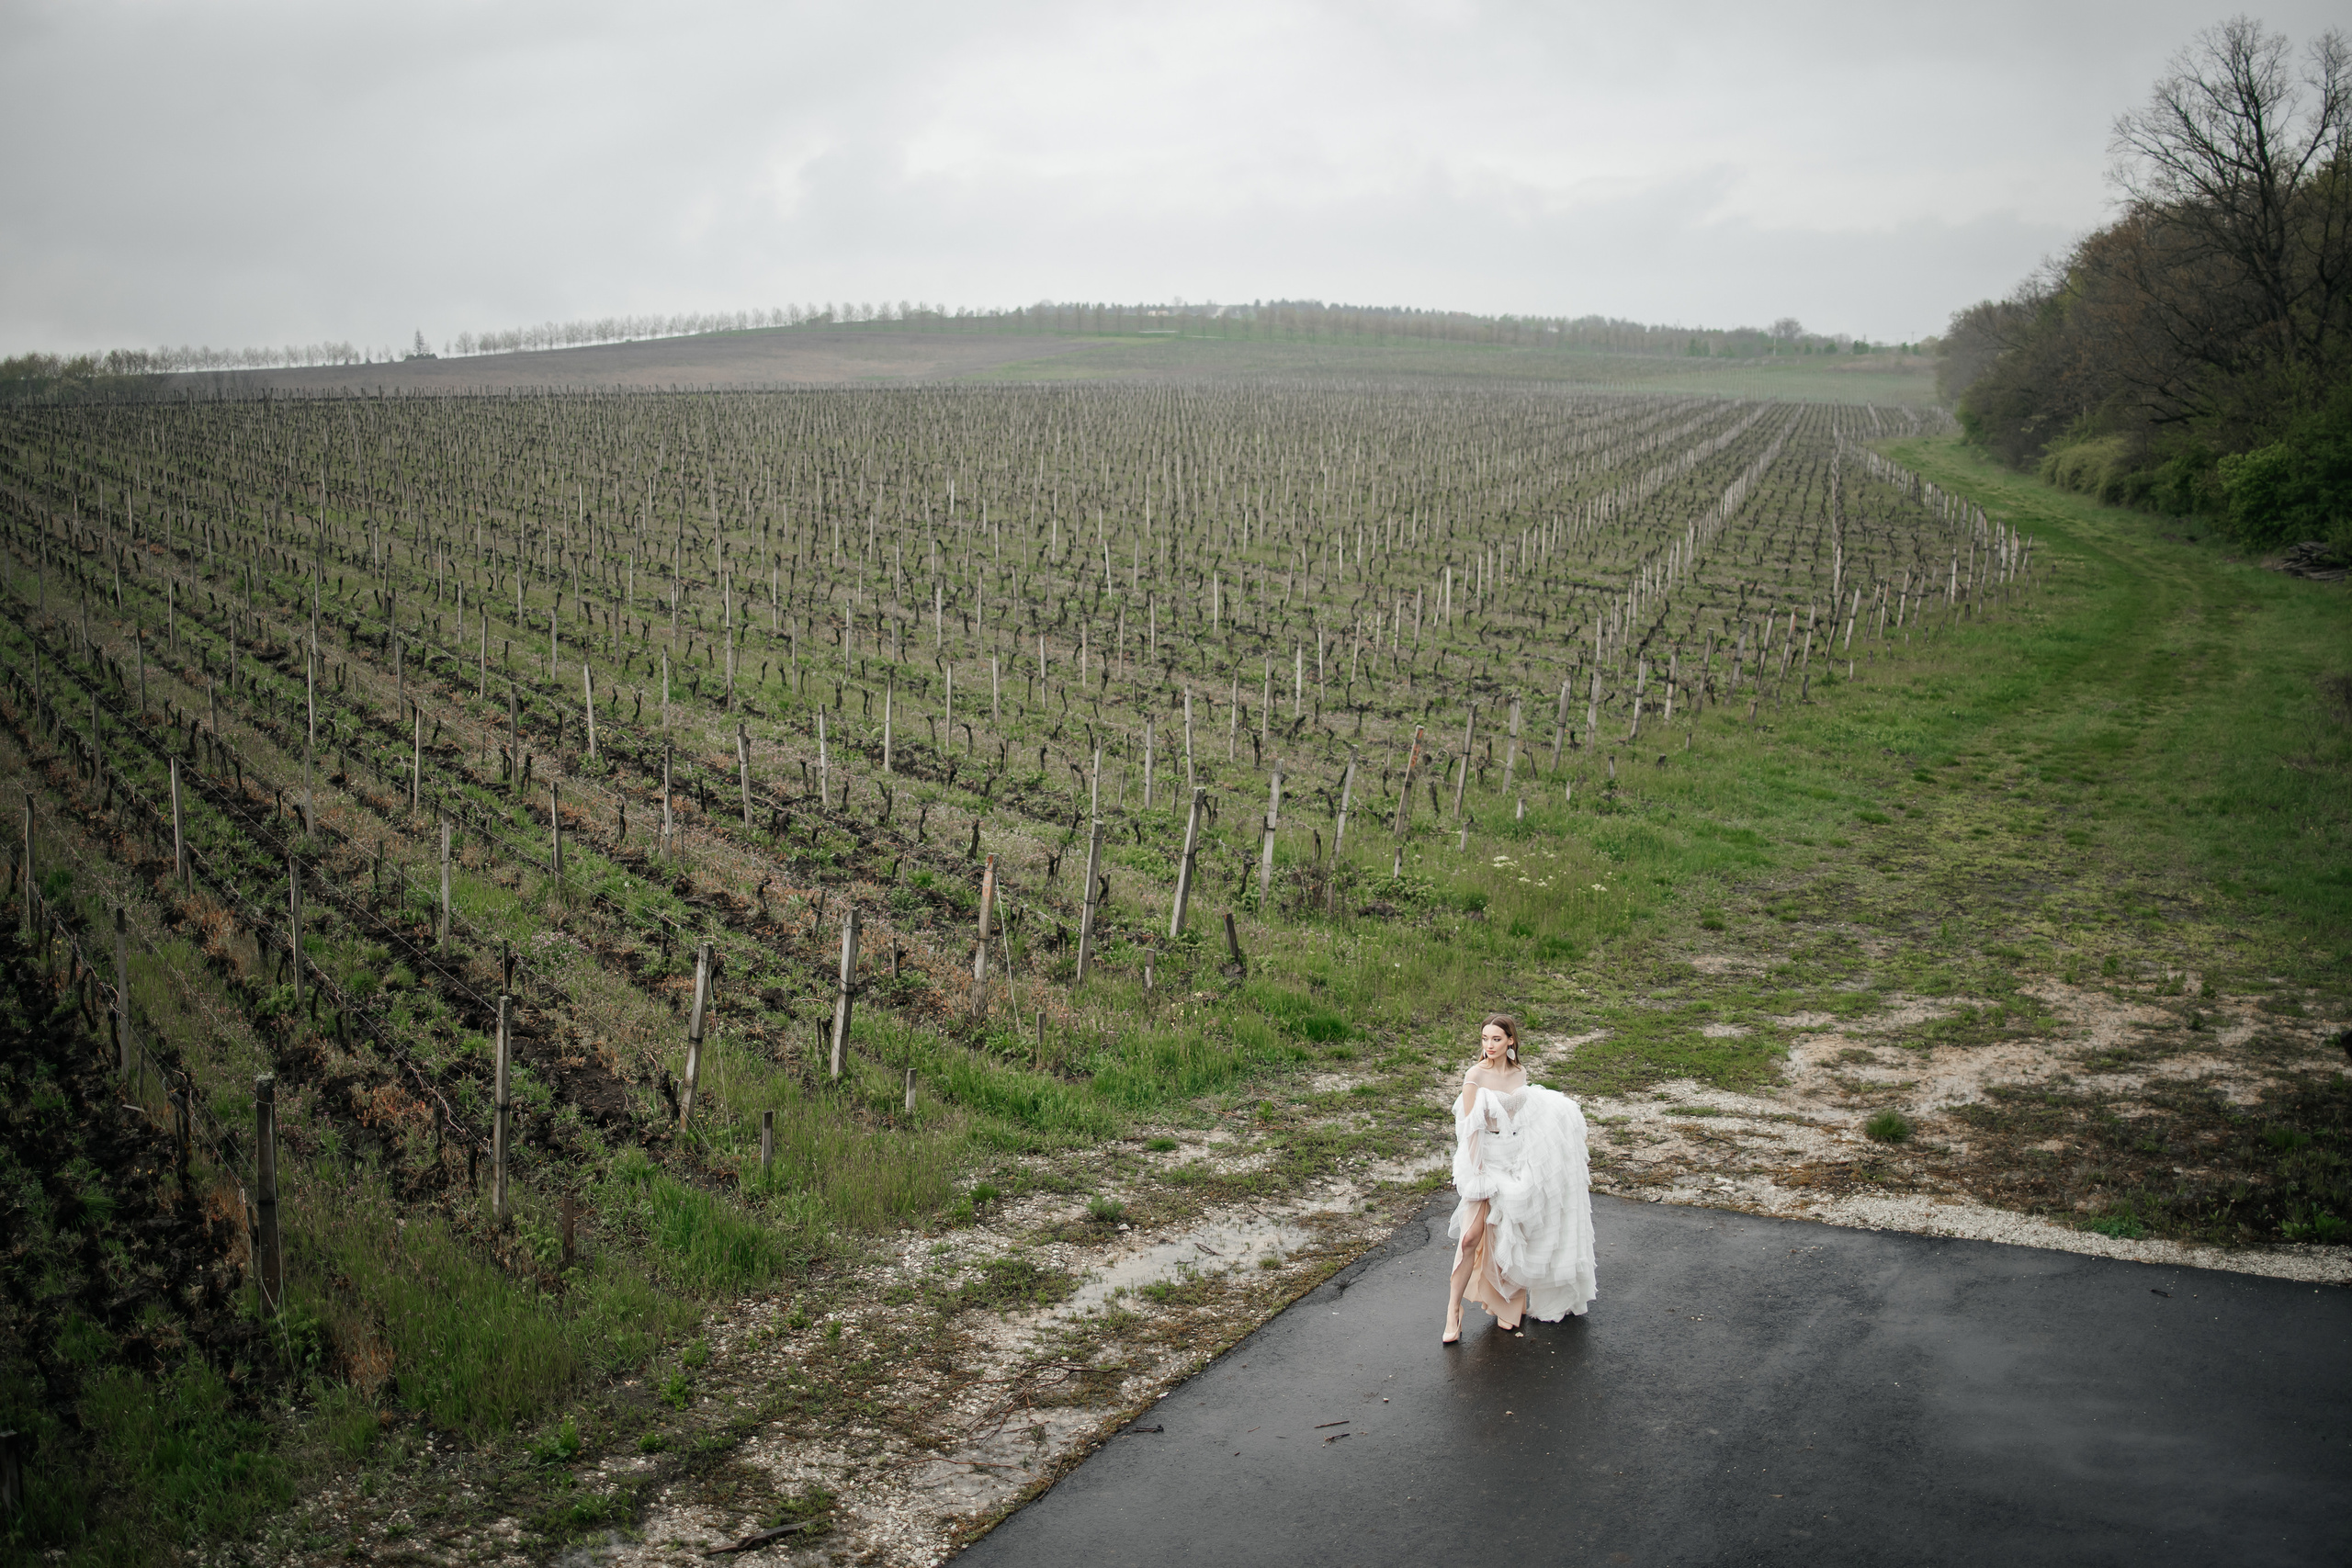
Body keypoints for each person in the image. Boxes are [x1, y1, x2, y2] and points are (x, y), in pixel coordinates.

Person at [1442, 1013, 1597, 1343]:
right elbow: (1468, 1129)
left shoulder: (1520, 1072)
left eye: (1496, 1039)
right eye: (1484, 1039)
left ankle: (1507, 1305)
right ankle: (1453, 1310)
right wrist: (1477, 1171)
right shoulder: (1475, 1076)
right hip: (1484, 1160)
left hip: (1516, 1159)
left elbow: (1524, 1117)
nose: (1489, 1046)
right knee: (1471, 1236)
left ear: (1510, 1040)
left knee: (1510, 1234)